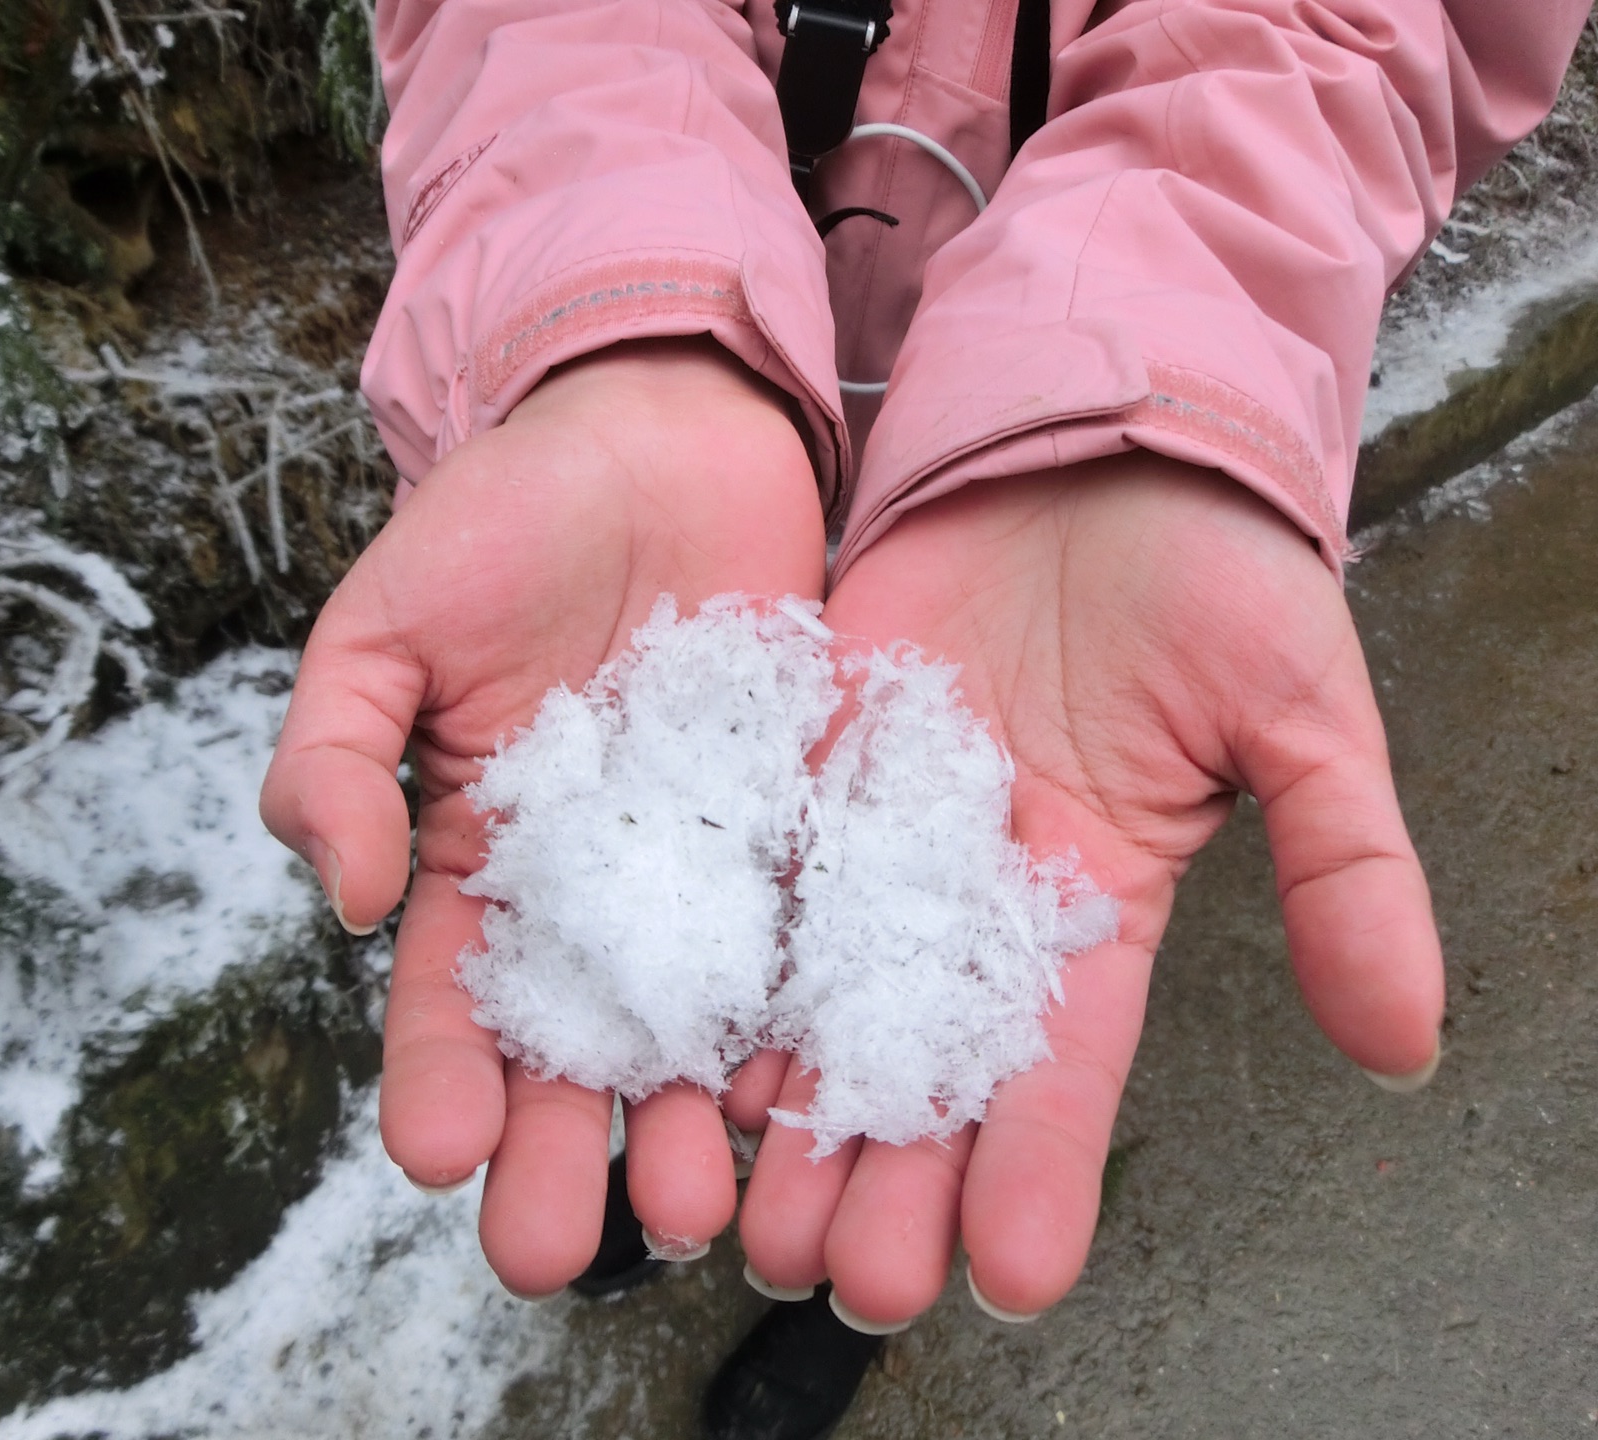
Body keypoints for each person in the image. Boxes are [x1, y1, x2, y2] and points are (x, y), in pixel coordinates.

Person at [261, 2, 1591, 1435]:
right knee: (618, 1078)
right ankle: (642, 1193)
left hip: (1048, 454)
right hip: (642, 446)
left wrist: (1157, 370)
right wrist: (615, 312)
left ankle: (827, 1300)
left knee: (961, 1057)